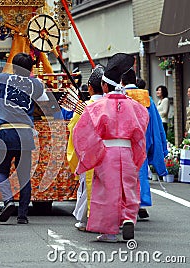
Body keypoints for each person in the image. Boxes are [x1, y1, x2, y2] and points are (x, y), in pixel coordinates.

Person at [73, 53, 149, 242]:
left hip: (107, 152)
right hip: (127, 151)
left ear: (104, 86)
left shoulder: (96, 107)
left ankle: (109, 232)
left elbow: (82, 133)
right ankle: (129, 219)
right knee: (128, 188)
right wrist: (136, 153)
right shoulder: (134, 106)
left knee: (106, 191)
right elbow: (140, 132)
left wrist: (90, 156)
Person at [0, 53, 44, 224]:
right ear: (31, 69)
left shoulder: (2, 78)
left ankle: (8, 201)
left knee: (2, 170)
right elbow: (42, 96)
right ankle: (22, 215)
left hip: (6, 131)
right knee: (24, 175)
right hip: (26, 133)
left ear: (13, 67)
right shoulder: (35, 83)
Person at [122, 69, 168, 220]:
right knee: (140, 172)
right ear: (135, 81)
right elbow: (156, 125)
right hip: (142, 141)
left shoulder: (119, 97)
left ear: (121, 82)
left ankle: (126, 206)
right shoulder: (147, 99)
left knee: (122, 175)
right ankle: (140, 204)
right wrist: (160, 145)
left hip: (123, 142)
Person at [67, 65, 104, 231]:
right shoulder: (112, 104)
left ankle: (84, 220)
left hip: (89, 153)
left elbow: (74, 129)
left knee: (86, 186)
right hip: (111, 152)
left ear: (89, 88)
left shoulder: (85, 107)